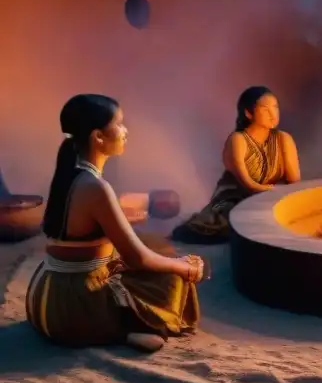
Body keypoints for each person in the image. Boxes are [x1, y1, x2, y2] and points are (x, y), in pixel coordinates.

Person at [26, 94, 203, 353]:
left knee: (155, 253)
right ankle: (123, 330)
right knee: (171, 278)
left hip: (43, 294)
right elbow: (138, 258)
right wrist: (182, 267)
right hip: (70, 308)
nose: (125, 131)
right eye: (119, 124)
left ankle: (122, 323)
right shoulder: (95, 186)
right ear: (98, 137)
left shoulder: (74, 175)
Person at [172, 86, 300, 244]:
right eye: (265, 109)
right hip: (236, 200)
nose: (273, 114)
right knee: (231, 225)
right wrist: (275, 191)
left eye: (275, 107)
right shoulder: (238, 140)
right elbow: (248, 184)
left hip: (270, 199)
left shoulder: (283, 139)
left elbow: (294, 180)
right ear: (248, 113)